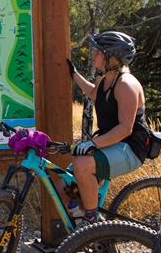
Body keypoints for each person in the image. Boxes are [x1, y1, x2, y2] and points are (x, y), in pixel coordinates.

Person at [59, 31, 150, 225]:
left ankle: (92, 224)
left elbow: (126, 128)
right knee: (61, 183)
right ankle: (89, 222)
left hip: (130, 148)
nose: (93, 54)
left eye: (98, 52)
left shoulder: (127, 85)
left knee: (82, 165)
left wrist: (92, 143)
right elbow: (93, 93)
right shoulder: (103, 80)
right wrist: (74, 74)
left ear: (112, 57)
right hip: (111, 144)